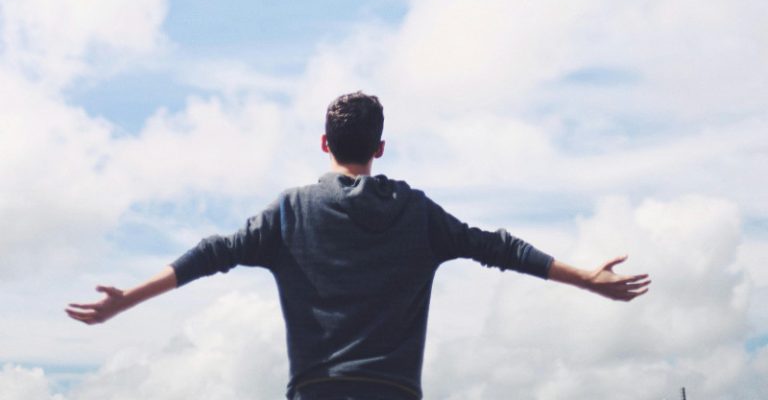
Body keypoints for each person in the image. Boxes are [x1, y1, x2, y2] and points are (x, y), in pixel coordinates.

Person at [67, 91, 651, 400]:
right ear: (381, 146)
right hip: (394, 392)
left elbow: (211, 252)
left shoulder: (290, 212)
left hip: (317, 391)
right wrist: (587, 280)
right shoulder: (418, 215)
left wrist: (128, 299)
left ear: (324, 142)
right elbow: (497, 247)